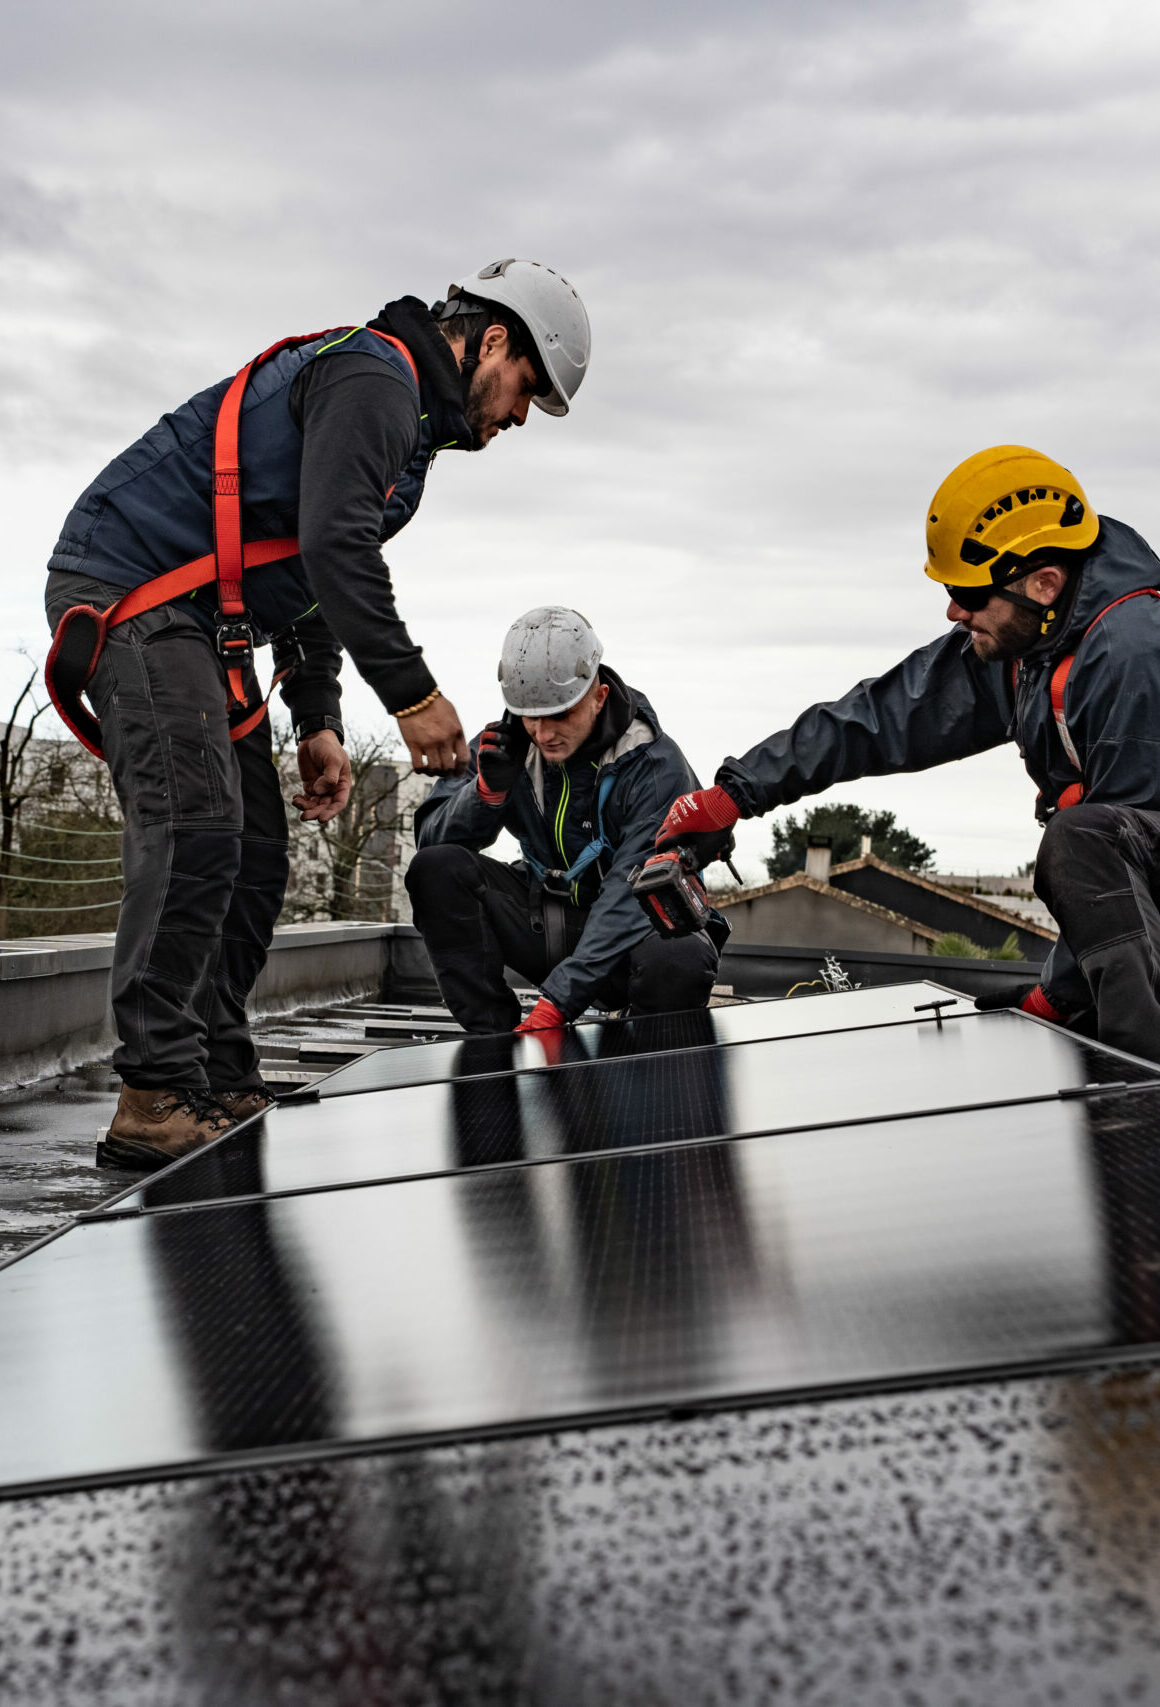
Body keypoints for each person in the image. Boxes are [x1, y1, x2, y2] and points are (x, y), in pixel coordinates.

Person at [44, 261, 590, 1168]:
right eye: (527, 388)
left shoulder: (406, 436)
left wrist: (318, 720)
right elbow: (338, 547)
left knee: (257, 850)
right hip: (133, 586)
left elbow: (304, 577)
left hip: (205, 619)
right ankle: (152, 1094)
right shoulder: (376, 379)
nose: (520, 415)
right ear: (491, 340)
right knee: (196, 825)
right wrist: (412, 694)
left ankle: (215, 1069)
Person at [655, 444, 1160, 1064]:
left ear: (1045, 582)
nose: (954, 610)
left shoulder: (1131, 654)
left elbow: (1124, 878)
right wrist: (739, 792)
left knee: (1080, 839)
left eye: (969, 593)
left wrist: (1057, 999)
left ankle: (1139, 1094)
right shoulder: (1036, 640)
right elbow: (883, 716)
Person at [406, 607, 726, 1035]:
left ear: (599, 696)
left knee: (680, 954)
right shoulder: (503, 745)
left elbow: (627, 896)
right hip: (549, 924)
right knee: (436, 869)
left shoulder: (654, 764)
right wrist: (485, 793)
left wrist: (557, 1004)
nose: (542, 733)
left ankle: (645, 1056)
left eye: (560, 715)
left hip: (631, 942)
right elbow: (430, 841)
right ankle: (493, 1041)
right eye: (530, 716)